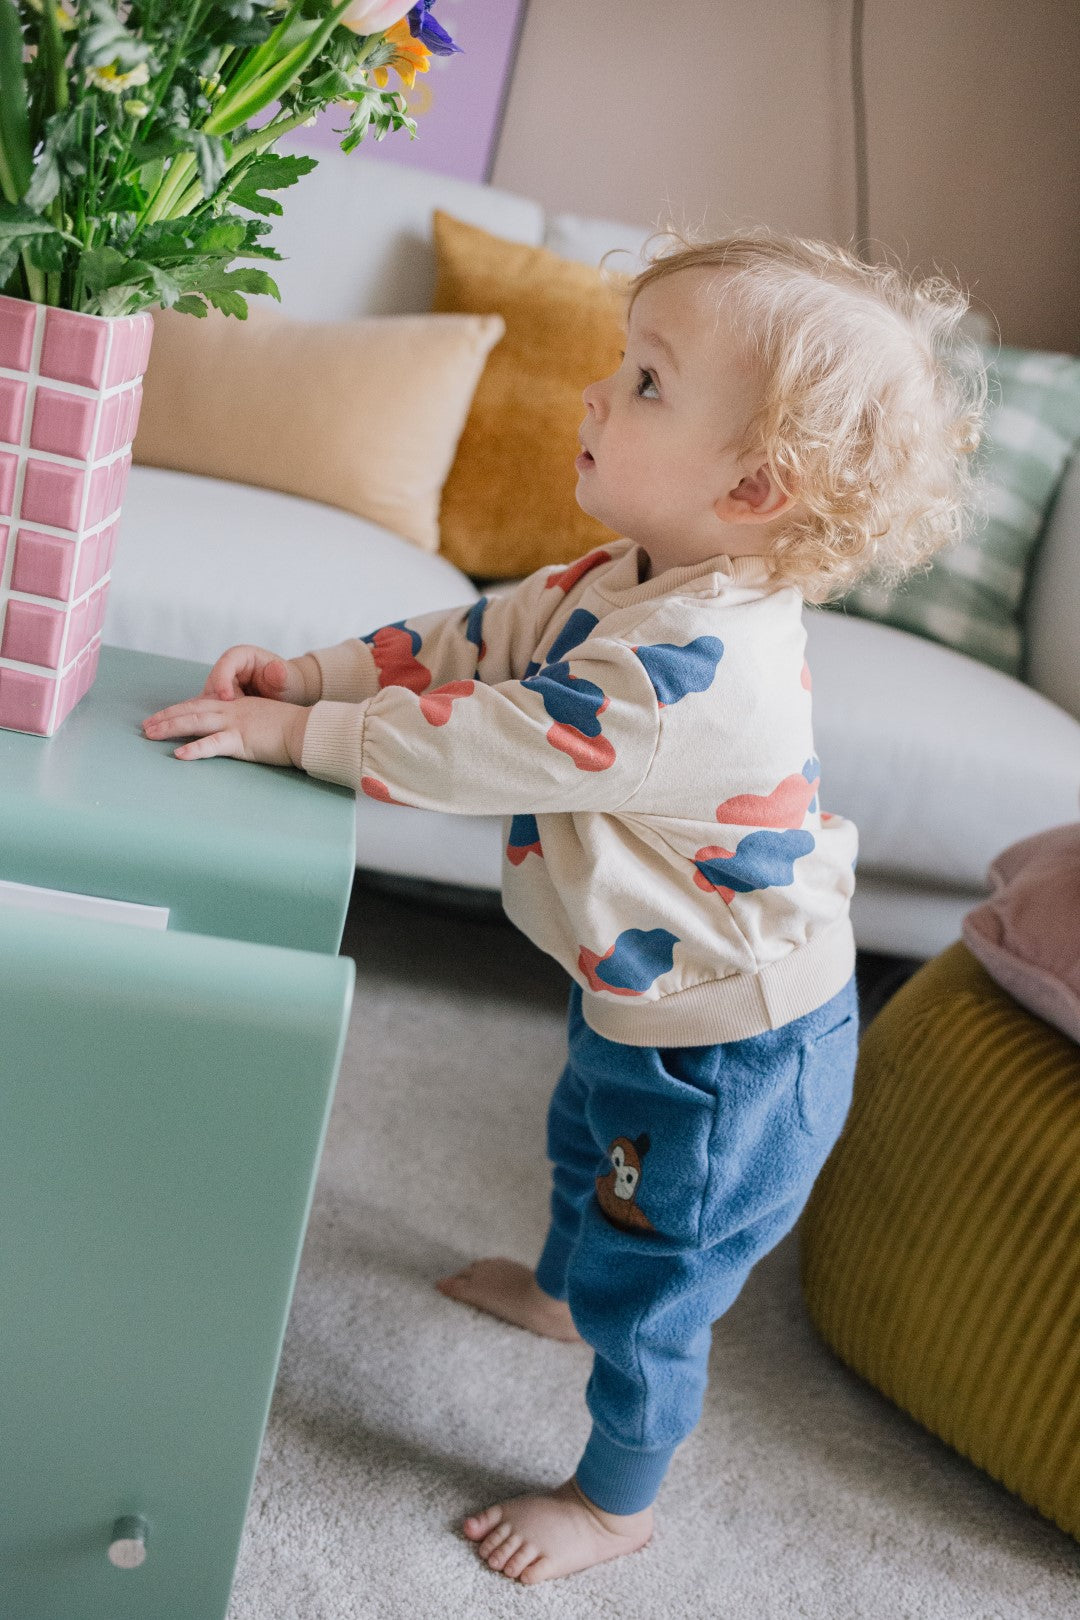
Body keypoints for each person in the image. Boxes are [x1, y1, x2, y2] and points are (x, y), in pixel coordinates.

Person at [143, 228, 988, 1585]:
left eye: (646, 383)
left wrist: (295, 742)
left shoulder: (699, 676)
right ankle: (555, 1291)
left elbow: (480, 739)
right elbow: (466, 642)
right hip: (644, 997)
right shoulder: (618, 579)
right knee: (584, 1136)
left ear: (756, 485)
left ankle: (616, 1502)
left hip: (732, 1057)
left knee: (656, 1290)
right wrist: (307, 676)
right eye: (620, 364)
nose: (595, 396)